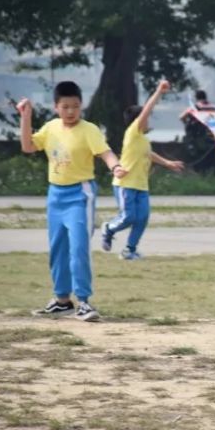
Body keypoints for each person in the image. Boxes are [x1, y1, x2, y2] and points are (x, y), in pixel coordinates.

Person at [17, 81, 128, 322]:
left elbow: (105, 152)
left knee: (78, 248)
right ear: (56, 107)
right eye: (65, 106)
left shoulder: (89, 130)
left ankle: (84, 302)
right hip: (55, 195)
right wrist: (26, 117)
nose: (70, 111)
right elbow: (27, 146)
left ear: (81, 106)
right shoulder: (51, 128)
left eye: (75, 106)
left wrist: (116, 167)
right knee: (58, 249)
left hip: (80, 194)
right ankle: (62, 301)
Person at [101, 80, 184, 259]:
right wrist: (159, 91)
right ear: (138, 120)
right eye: (145, 118)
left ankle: (129, 250)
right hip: (125, 184)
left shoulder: (143, 140)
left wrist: (167, 163)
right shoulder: (133, 132)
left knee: (142, 218)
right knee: (129, 217)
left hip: (141, 185)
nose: (148, 120)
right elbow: (147, 110)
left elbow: (149, 154)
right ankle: (109, 228)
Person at [179, 90, 215, 175]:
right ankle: (214, 173)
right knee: (212, 157)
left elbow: (181, 117)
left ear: (196, 98)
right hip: (212, 134)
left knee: (197, 154)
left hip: (198, 135)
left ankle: (200, 171)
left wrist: (187, 123)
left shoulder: (195, 107)